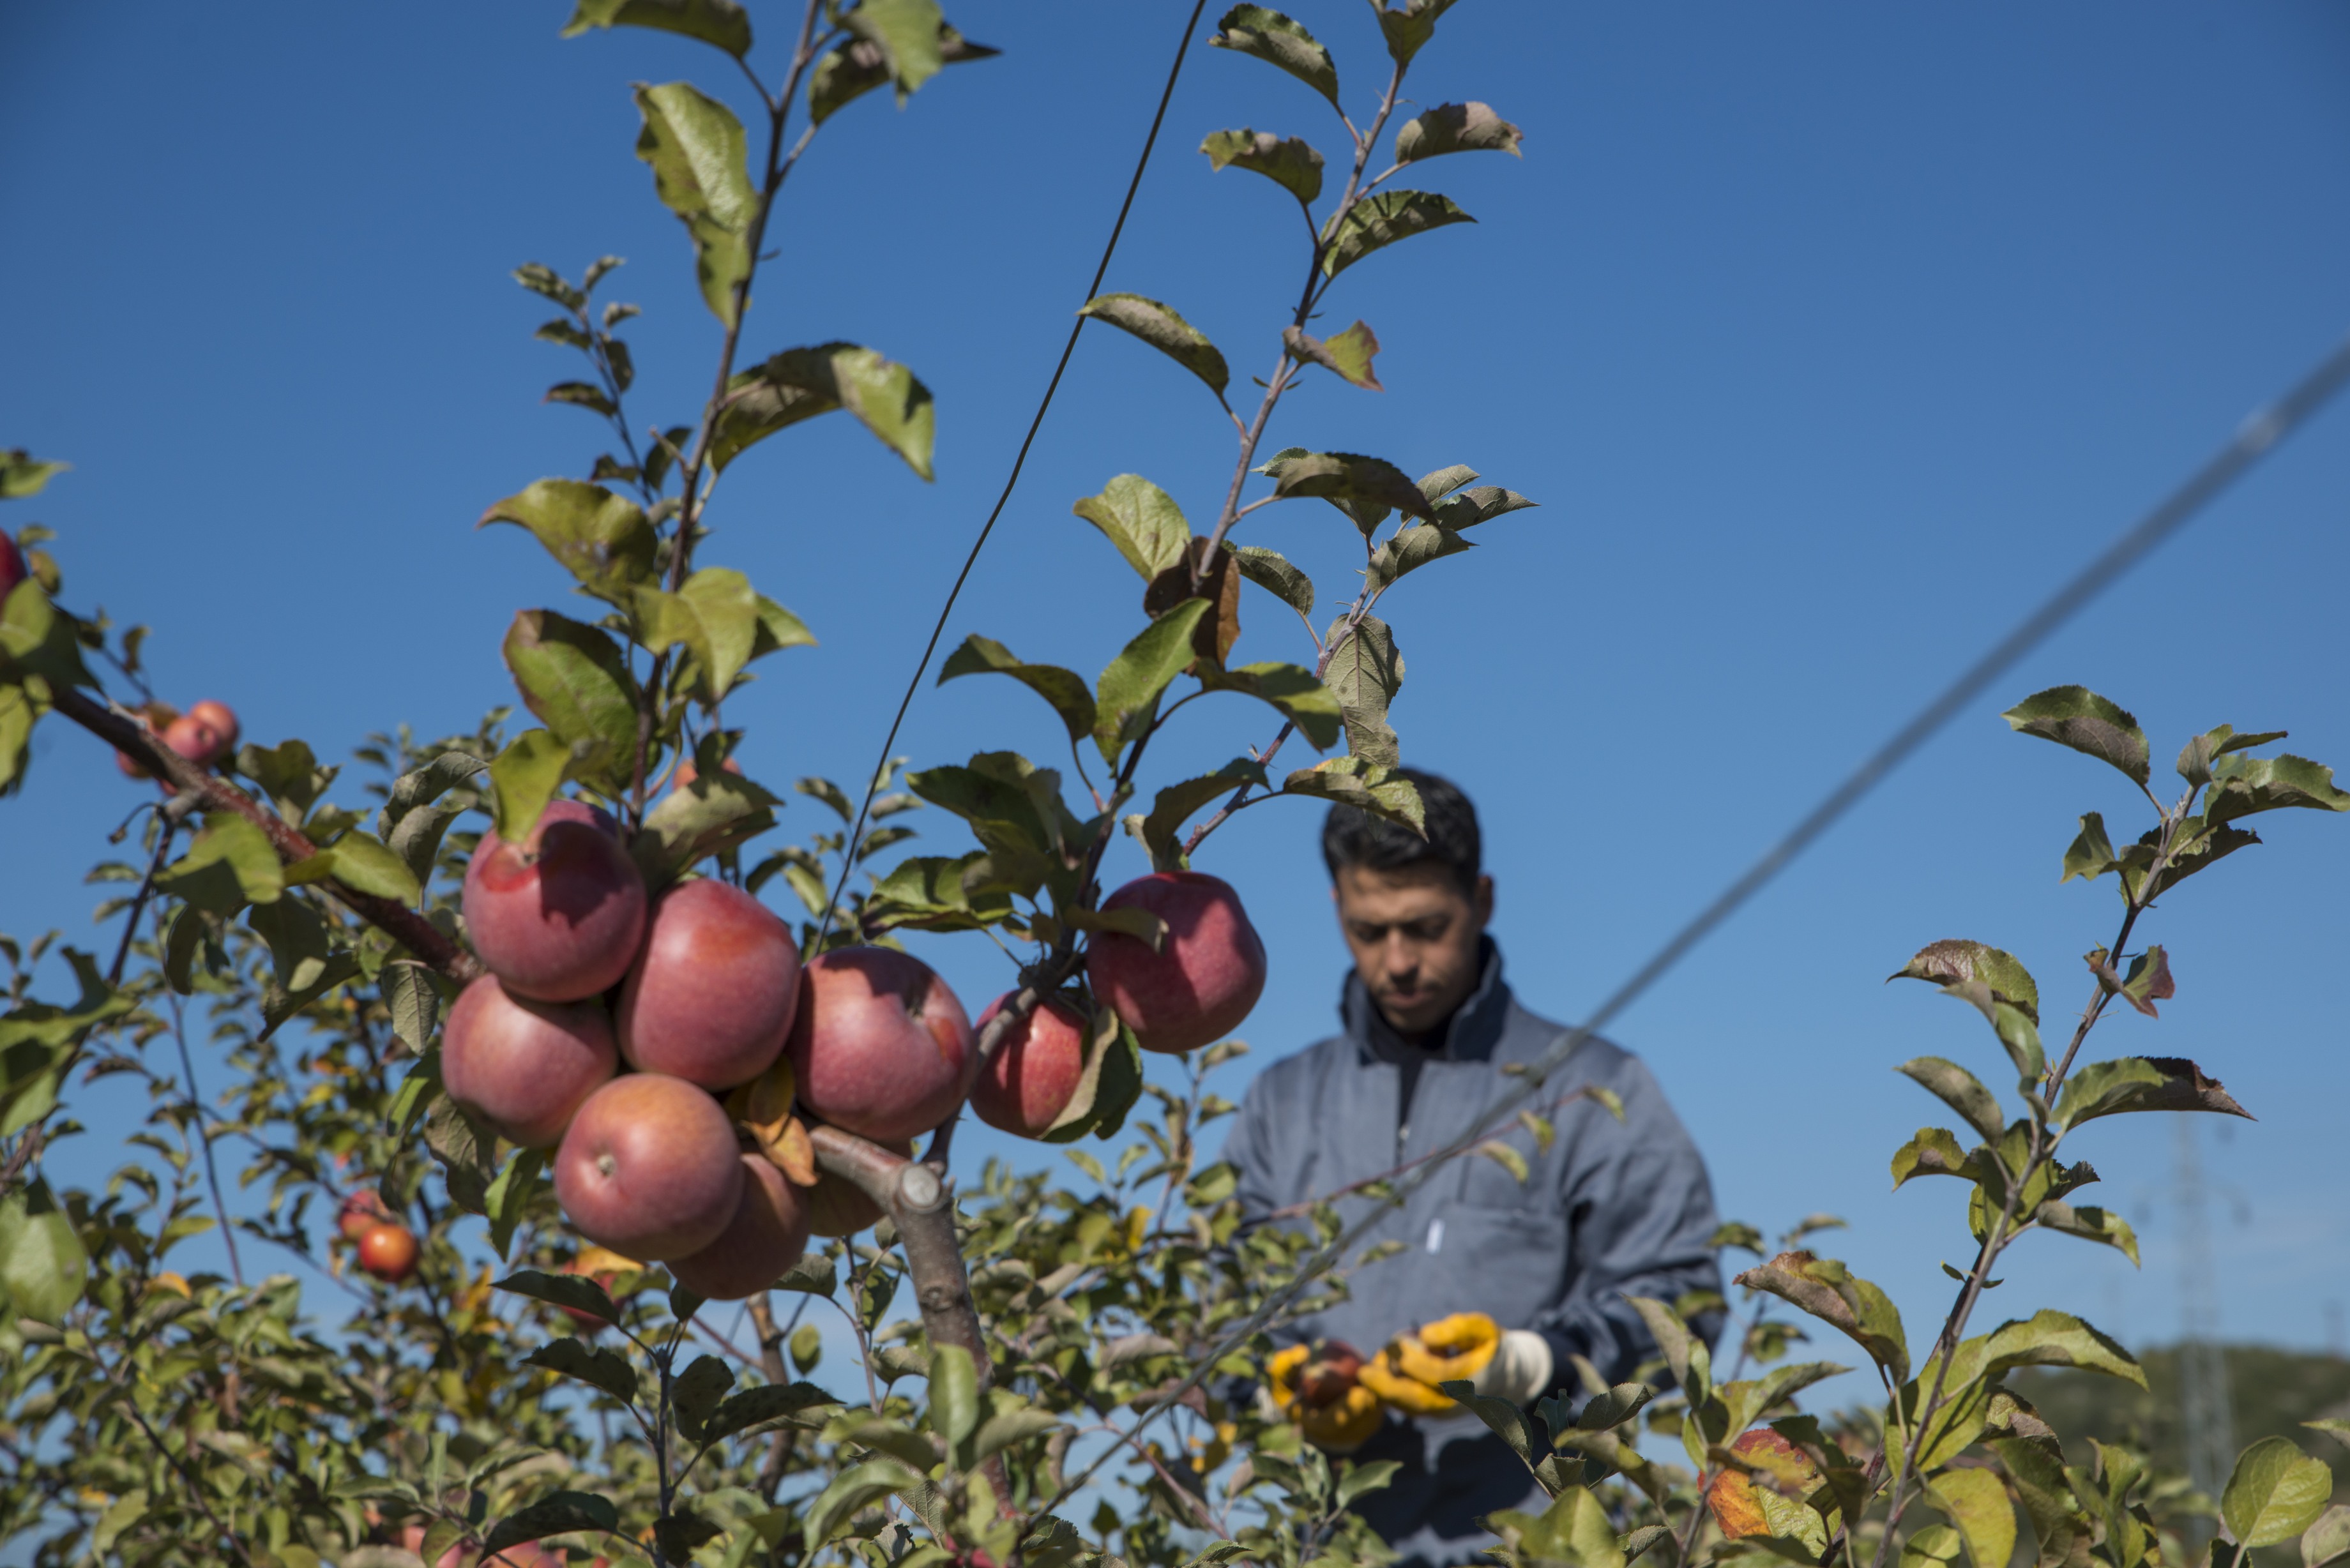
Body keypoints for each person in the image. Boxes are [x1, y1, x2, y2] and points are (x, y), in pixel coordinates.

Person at [1223, 769, 1724, 1568]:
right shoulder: (1279, 1104)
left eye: (1425, 926)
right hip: (1319, 1548)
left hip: (1526, 1545)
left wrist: (1532, 1360)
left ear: (1482, 900)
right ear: (1336, 910)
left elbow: (1682, 1304)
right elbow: (1220, 1304)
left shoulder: (1591, 1087)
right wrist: (1272, 1383)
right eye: (1366, 928)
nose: (1396, 961)